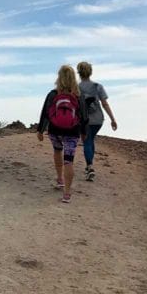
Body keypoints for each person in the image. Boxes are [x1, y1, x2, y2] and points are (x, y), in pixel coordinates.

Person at [37, 64, 88, 204]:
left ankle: (60, 179)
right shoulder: (78, 95)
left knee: (57, 151)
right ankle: (67, 193)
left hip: (55, 130)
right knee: (69, 161)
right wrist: (84, 132)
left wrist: (40, 130)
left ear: (59, 77)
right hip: (72, 132)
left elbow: (45, 113)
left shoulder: (53, 94)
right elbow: (84, 115)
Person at [76, 61, 117, 181]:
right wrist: (112, 119)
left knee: (87, 141)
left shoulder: (76, 87)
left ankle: (90, 166)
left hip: (84, 119)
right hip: (98, 119)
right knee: (91, 139)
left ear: (79, 72)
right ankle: (89, 164)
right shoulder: (98, 86)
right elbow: (105, 104)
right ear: (90, 72)